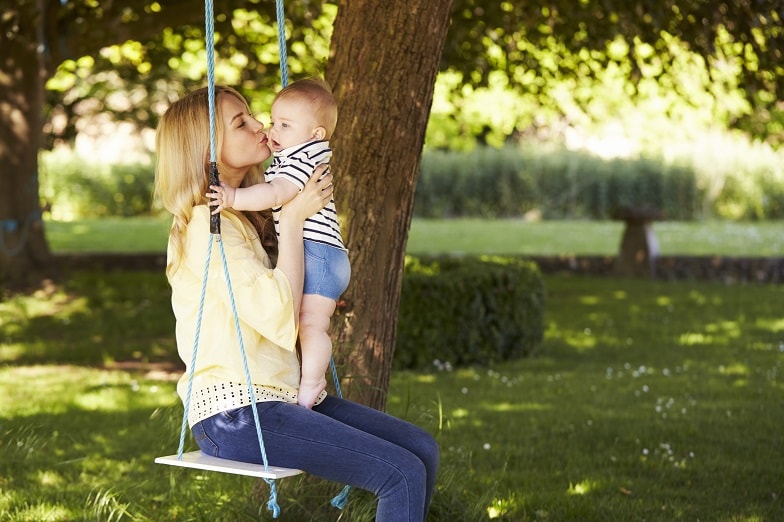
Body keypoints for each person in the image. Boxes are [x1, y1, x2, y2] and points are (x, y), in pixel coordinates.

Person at [154, 85, 439, 521]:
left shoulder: (246, 214)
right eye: (241, 122)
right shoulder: (207, 228)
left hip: (280, 397)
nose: (260, 126)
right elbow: (274, 313)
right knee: (399, 473)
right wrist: (292, 220)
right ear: (206, 148)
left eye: (253, 116)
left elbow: (287, 292)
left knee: (420, 449)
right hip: (237, 412)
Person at [207, 77, 349, 409]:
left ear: (315, 134)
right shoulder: (301, 154)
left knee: (312, 325)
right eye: (274, 122)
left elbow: (274, 193)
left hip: (319, 256)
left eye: (284, 125)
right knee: (308, 323)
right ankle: (310, 379)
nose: (270, 130)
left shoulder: (302, 160)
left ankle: (311, 384)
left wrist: (232, 197)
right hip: (324, 256)